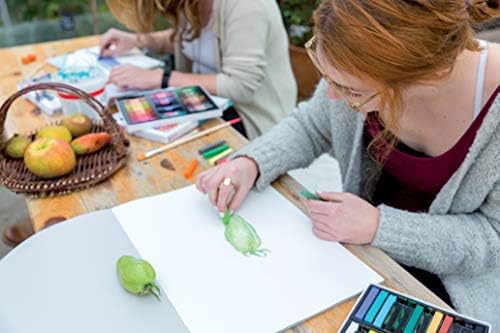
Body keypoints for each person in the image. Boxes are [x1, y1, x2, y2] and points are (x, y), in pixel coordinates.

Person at [196, 0, 500, 326]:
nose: (332, 97)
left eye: (351, 91)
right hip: (355, 259)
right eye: (327, 76)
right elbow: (312, 125)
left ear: (426, 79)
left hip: (443, 295)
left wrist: (379, 227)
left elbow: (493, 238)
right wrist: (252, 161)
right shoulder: (358, 64)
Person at [100, 0, 297, 139]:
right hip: (211, 104)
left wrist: (162, 78)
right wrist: (138, 40)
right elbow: (189, 41)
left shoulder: (247, 6)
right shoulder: (190, 4)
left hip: (253, 119)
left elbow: (240, 86)